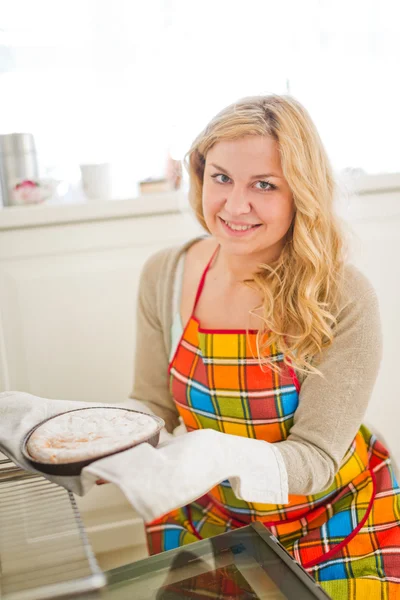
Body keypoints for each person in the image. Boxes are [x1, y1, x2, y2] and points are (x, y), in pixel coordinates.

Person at [130, 95, 400, 599]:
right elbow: (151, 405)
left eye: (265, 185)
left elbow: (316, 460)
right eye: (221, 177)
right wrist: (97, 441)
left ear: (301, 192)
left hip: (333, 523)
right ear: (199, 175)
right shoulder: (165, 275)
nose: (234, 205)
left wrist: (209, 452)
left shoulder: (343, 296)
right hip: (214, 514)